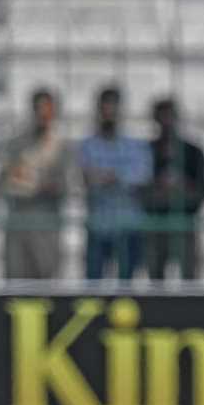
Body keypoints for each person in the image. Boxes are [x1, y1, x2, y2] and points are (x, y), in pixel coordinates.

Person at [79, 85, 151, 280]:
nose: (109, 112)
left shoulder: (135, 145)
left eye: (113, 106)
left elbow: (142, 177)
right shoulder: (88, 145)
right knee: (93, 283)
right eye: (105, 107)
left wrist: (109, 177)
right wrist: (120, 176)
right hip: (99, 223)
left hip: (128, 224)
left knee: (126, 285)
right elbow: (87, 179)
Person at [0, 88, 69, 279]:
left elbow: (66, 185)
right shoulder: (16, 145)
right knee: (16, 281)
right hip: (19, 222)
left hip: (46, 223)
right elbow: (3, 183)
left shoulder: (61, 146)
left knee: (46, 281)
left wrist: (43, 185)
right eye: (39, 109)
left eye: (48, 109)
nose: (43, 114)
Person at [142, 97, 204, 280]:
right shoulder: (147, 151)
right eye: (162, 116)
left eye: (170, 116)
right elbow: (140, 190)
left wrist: (182, 189)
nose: (166, 122)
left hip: (184, 223)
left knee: (189, 280)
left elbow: (203, 191)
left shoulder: (193, 152)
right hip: (156, 224)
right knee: (155, 278)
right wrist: (159, 189)